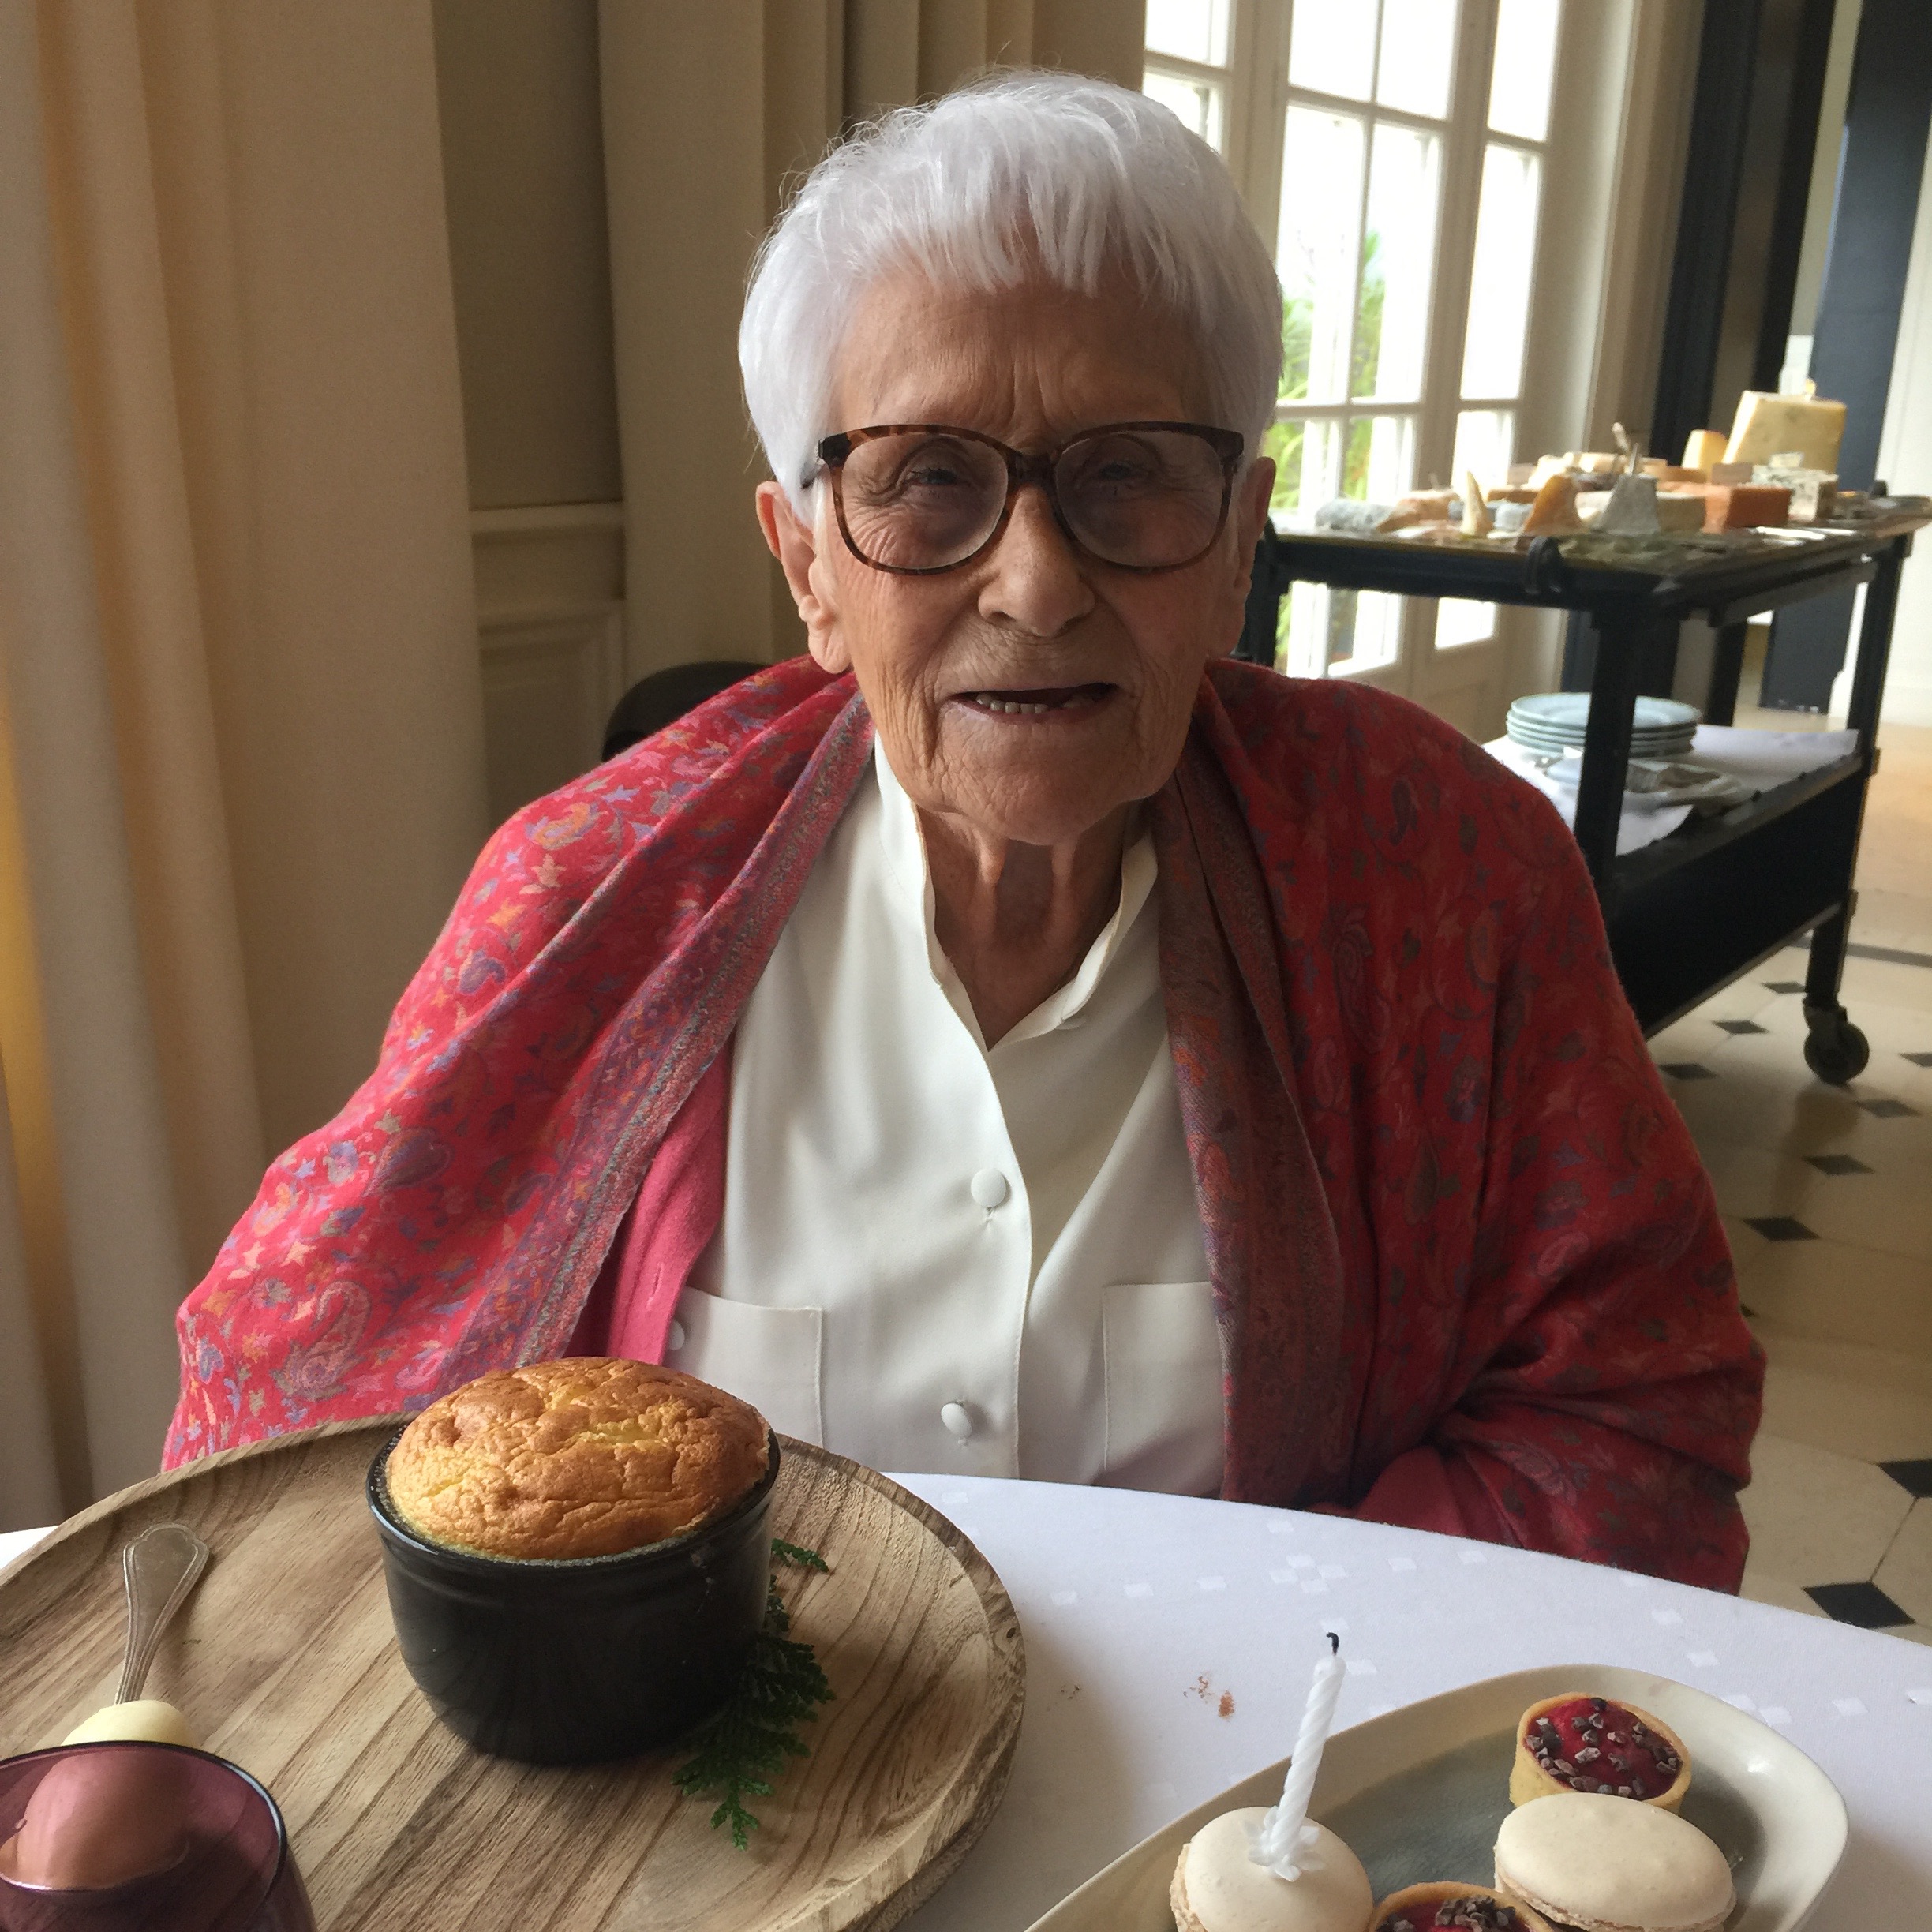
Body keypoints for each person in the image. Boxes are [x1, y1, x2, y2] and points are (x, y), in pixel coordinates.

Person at [166, 73, 1761, 1587]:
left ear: (1236, 547)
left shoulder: (1445, 879)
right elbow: (294, 1426)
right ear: (809, 566)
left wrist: (1282, 1659)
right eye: (928, 479)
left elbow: (1629, 1425)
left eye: (1128, 475)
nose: (1038, 583)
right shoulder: (586, 901)